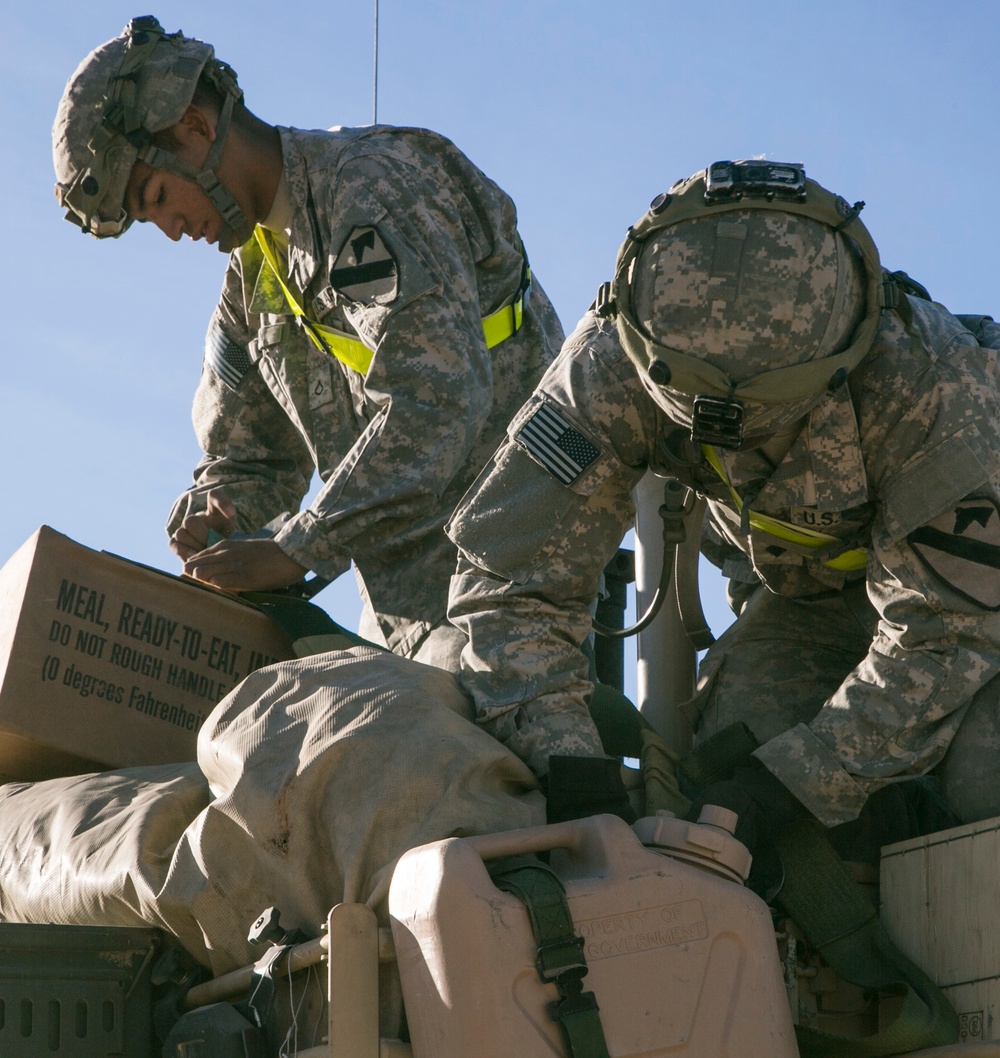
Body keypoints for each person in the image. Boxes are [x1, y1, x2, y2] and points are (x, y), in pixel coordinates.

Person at [446, 159, 1000, 840]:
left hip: (973, 608)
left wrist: (795, 784)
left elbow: (946, 636)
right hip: (815, 600)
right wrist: (573, 774)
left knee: (982, 775)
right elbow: (510, 585)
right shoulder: (609, 367)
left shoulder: (937, 390)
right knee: (736, 744)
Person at [52, 16, 563, 671]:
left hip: (520, 574)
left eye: (157, 196)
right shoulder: (252, 282)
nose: (173, 231)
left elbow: (438, 398)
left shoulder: (374, 189)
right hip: (408, 623)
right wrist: (220, 521)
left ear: (195, 128)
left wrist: (298, 547)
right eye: (151, 219)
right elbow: (252, 463)